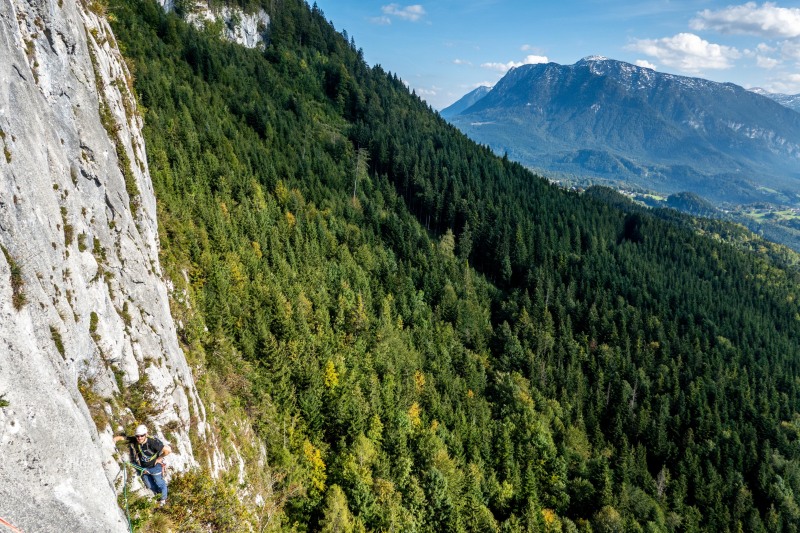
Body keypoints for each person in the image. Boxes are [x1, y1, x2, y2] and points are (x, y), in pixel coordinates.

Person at [114, 424, 171, 506]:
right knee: (149, 485)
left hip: (155, 467)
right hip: (144, 468)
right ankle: (158, 495)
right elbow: (124, 438)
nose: (139, 438)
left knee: (159, 483)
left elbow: (168, 450)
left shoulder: (153, 443)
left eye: (142, 435)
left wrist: (159, 458)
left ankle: (163, 499)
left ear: (146, 434)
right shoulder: (136, 440)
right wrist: (115, 439)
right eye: (137, 436)